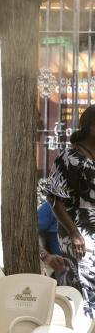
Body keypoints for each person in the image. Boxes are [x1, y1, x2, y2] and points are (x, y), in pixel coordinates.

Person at [46, 104, 95, 318]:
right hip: (80, 238)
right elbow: (55, 201)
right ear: (92, 128)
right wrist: (74, 233)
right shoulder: (69, 157)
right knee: (86, 296)